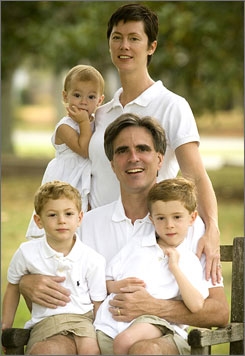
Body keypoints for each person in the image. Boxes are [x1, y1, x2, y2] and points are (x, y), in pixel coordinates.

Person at [19, 114, 229, 355]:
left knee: (145, 351)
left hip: (161, 335)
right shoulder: (86, 224)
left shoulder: (189, 227)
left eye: (143, 149)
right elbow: (55, 289)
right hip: (93, 331)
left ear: (160, 159)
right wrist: (26, 283)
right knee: (48, 351)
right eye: (122, 151)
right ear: (112, 164)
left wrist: (155, 308)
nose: (133, 158)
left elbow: (219, 312)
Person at [85, 2, 220, 281]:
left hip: (151, 237)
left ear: (151, 47)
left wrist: (212, 228)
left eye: (134, 38)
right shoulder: (101, 113)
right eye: (117, 38)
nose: (124, 46)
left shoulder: (172, 105)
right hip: (100, 239)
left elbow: (195, 174)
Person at [94, 178, 210, 355]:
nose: (169, 225)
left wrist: (175, 268)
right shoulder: (136, 246)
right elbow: (106, 281)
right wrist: (116, 286)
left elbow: (196, 305)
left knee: (124, 342)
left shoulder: (188, 260)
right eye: (161, 218)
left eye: (177, 217)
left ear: (192, 218)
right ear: (151, 219)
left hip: (155, 321)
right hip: (112, 323)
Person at [2, 181, 107, 355]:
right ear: (38, 221)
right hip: (47, 321)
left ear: (79, 218)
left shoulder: (92, 259)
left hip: (83, 321)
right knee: (44, 351)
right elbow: (13, 287)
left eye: (68, 214)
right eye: (52, 215)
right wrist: (6, 326)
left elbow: (98, 304)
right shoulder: (26, 253)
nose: (61, 221)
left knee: (91, 351)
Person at [26, 64, 105, 239]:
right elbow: (85, 150)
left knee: (82, 228)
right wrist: (84, 122)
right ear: (65, 96)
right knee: (61, 220)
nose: (84, 101)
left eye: (91, 97)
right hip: (67, 180)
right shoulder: (64, 127)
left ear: (100, 101)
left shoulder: (98, 122)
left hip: (85, 181)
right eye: (77, 95)